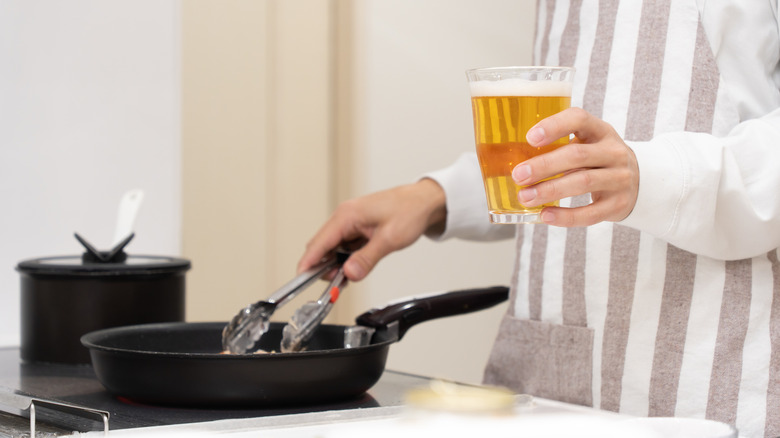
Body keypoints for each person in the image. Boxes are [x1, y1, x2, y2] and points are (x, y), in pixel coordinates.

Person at [297, 2, 780, 437]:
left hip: (708, 361)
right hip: (553, 362)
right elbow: (559, 142)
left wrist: (649, 175)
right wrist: (437, 197)